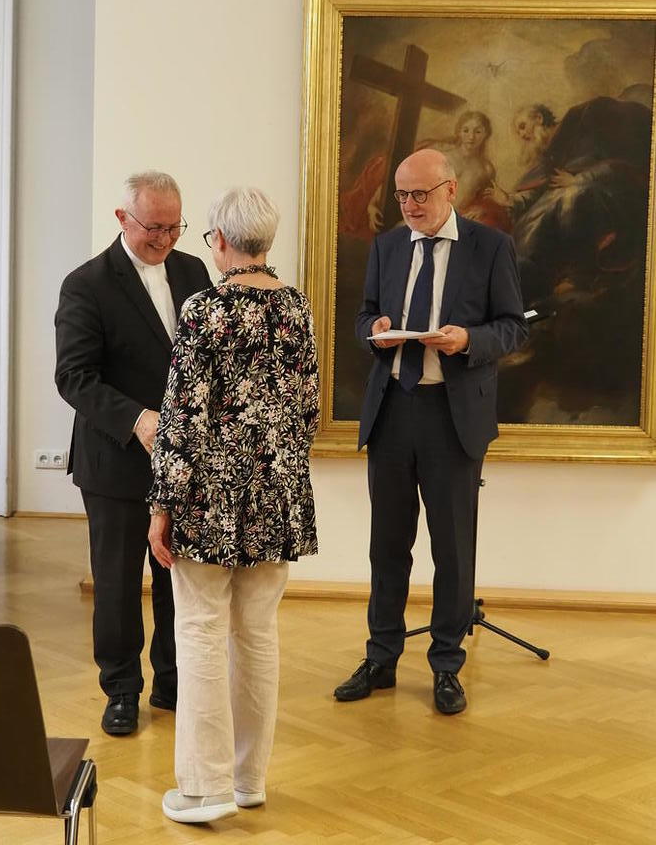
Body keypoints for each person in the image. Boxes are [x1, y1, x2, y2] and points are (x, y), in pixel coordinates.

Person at [333, 149, 528, 714]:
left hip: (452, 415)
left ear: (451, 189)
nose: (410, 205)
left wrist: (467, 340)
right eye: (402, 195)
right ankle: (381, 658)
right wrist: (375, 329)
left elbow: (513, 327)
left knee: (453, 550)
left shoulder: (491, 247)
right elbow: (364, 315)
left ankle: (446, 664)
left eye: (420, 194)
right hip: (393, 409)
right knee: (388, 546)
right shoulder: (388, 246)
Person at [147, 186, 319, 824]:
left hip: (209, 499)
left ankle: (205, 787)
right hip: (277, 496)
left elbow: (182, 418)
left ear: (220, 240)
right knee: (258, 634)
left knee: (199, 630)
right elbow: (307, 410)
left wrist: (161, 506)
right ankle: (248, 780)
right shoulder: (296, 308)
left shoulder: (204, 310)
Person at [55, 171, 211, 736]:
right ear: (123, 219)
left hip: (181, 461)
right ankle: (121, 689)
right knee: (118, 584)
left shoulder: (194, 272)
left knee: (177, 579)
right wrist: (137, 418)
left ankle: (172, 682)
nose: (165, 239)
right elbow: (74, 377)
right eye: (154, 228)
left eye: (174, 227)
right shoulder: (86, 284)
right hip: (115, 460)